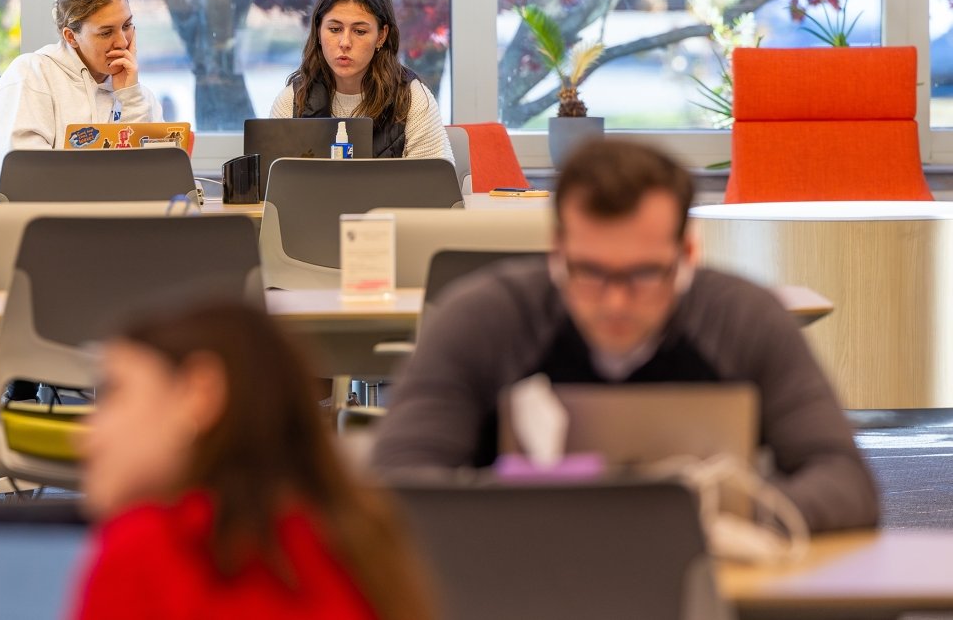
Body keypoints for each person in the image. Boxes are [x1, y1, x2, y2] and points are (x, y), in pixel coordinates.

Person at [370, 139, 880, 533]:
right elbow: (395, 482)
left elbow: (845, 480)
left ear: (688, 256)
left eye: (642, 274)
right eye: (589, 271)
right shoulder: (483, 320)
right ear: (556, 252)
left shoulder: (744, 319)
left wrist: (733, 522)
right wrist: (535, 519)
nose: (615, 301)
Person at [70, 300, 434, 620]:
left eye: (112, 392)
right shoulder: (360, 543)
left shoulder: (147, 550)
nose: (86, 435)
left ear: (199, 394)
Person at [0, 0, 162, 201]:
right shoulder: (30, 77)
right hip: (27, 224)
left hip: (107, 226)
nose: (122, 41)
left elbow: (153, 180)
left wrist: (130, 97)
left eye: (127, 25)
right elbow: (27, 180)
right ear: (71, 37)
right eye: (106, 32)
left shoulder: (138, 93)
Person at [270, 0, 452, 161]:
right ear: (318, 31)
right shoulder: (293, 99)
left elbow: (435, 182)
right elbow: (272, 185)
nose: (345, 43)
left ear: (381, 36)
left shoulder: (410, 97)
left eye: (360, 31)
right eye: (334, 29)